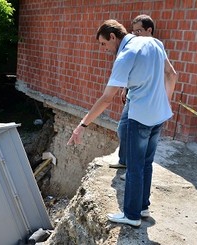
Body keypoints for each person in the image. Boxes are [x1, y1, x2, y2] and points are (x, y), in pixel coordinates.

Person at [67, 19, 177, 227]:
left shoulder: (125, 56)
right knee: (146, 163)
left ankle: (132, 215)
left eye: (103, 44)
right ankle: (143, 207)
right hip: (159, 115)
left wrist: (82, 125)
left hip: (140, 117)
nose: (104, 49)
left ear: (112, 36)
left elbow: (107, 97)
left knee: (134, 167)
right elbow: (172, 75)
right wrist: (165, 101)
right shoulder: (154, 43)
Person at [109, 14, 164, 183]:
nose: (136, 34)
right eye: (134, 31)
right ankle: (125, 162)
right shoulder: (134, 47)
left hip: (146, 104)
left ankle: (133, 172)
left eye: (139, 31)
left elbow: (167, 75)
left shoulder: (154, 48)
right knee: (122, 129)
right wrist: (125, 88)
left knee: (140, 145)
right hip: (133, 97)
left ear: (150, 30)